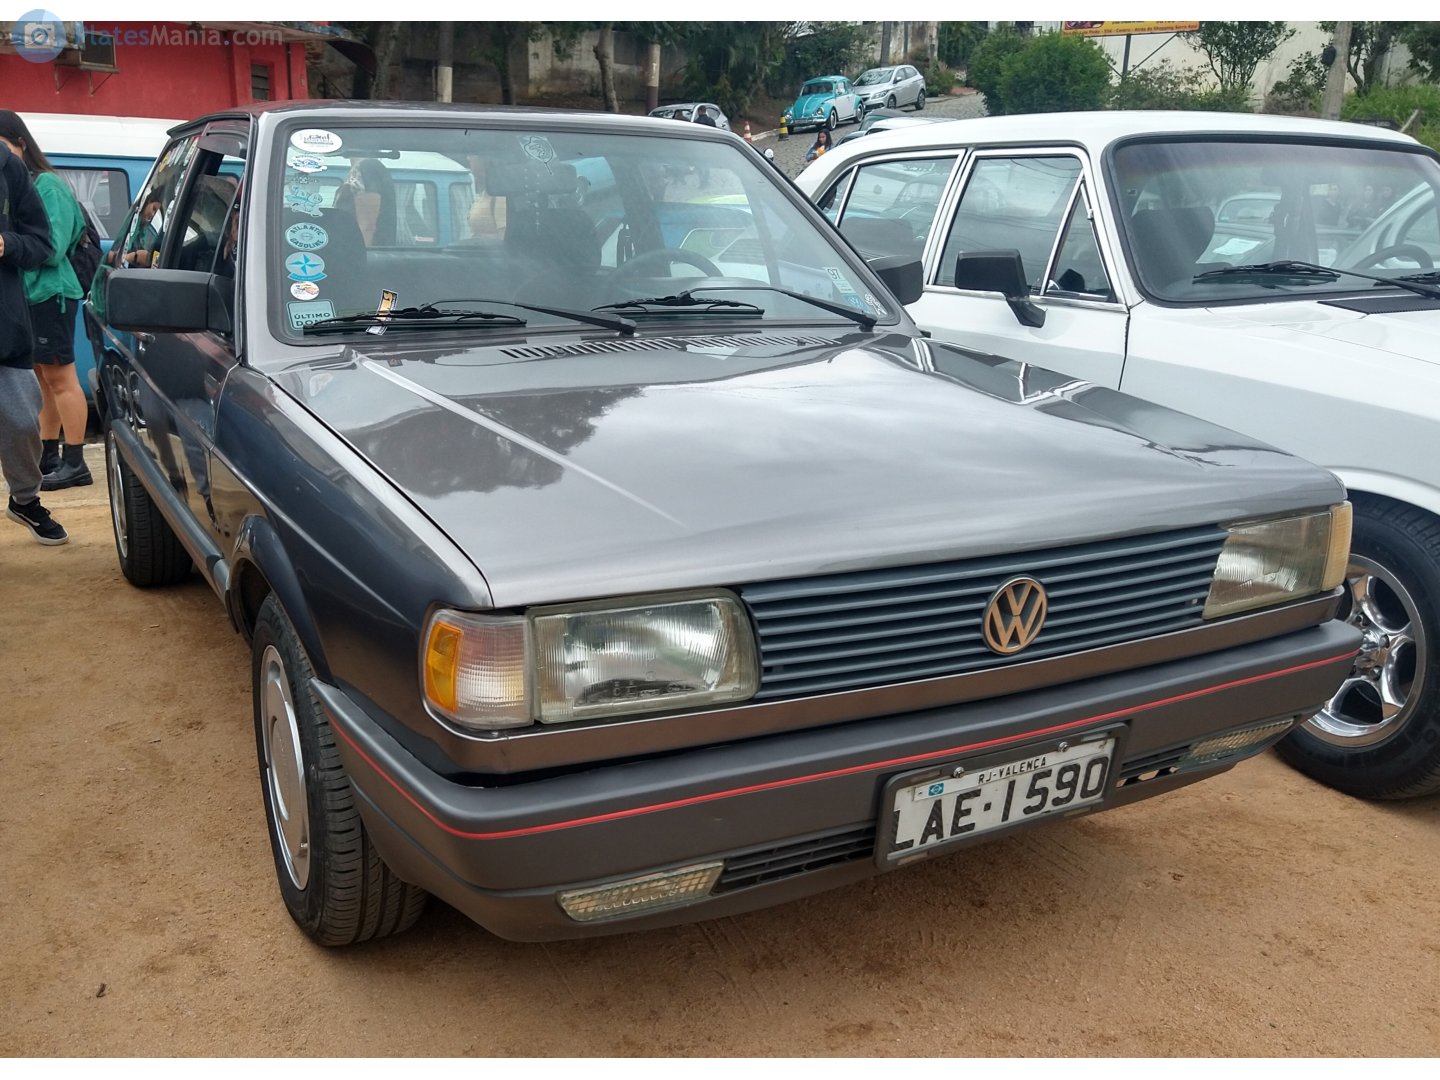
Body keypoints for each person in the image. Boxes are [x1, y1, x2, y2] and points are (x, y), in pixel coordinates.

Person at [0, 110, 91, 491]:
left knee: (61, 377)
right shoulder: (28, 182)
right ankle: (48, 454)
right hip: (32, 295)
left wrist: (13, 247)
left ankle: (76, 461)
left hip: (53, 293)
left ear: (20, 144)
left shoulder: (48, 185)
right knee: (41, 379)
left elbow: (49, 248)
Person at [0, 136, 66, 545]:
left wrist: (8, 243)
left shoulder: (8, 167)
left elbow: (42, 242)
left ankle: (25, 499)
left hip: (5, 327)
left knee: (22, 421)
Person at [335, 158, 396, 246]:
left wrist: (362, 256)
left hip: (358, 252)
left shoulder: (365, 168)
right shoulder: (367, 168)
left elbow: (367, 227)